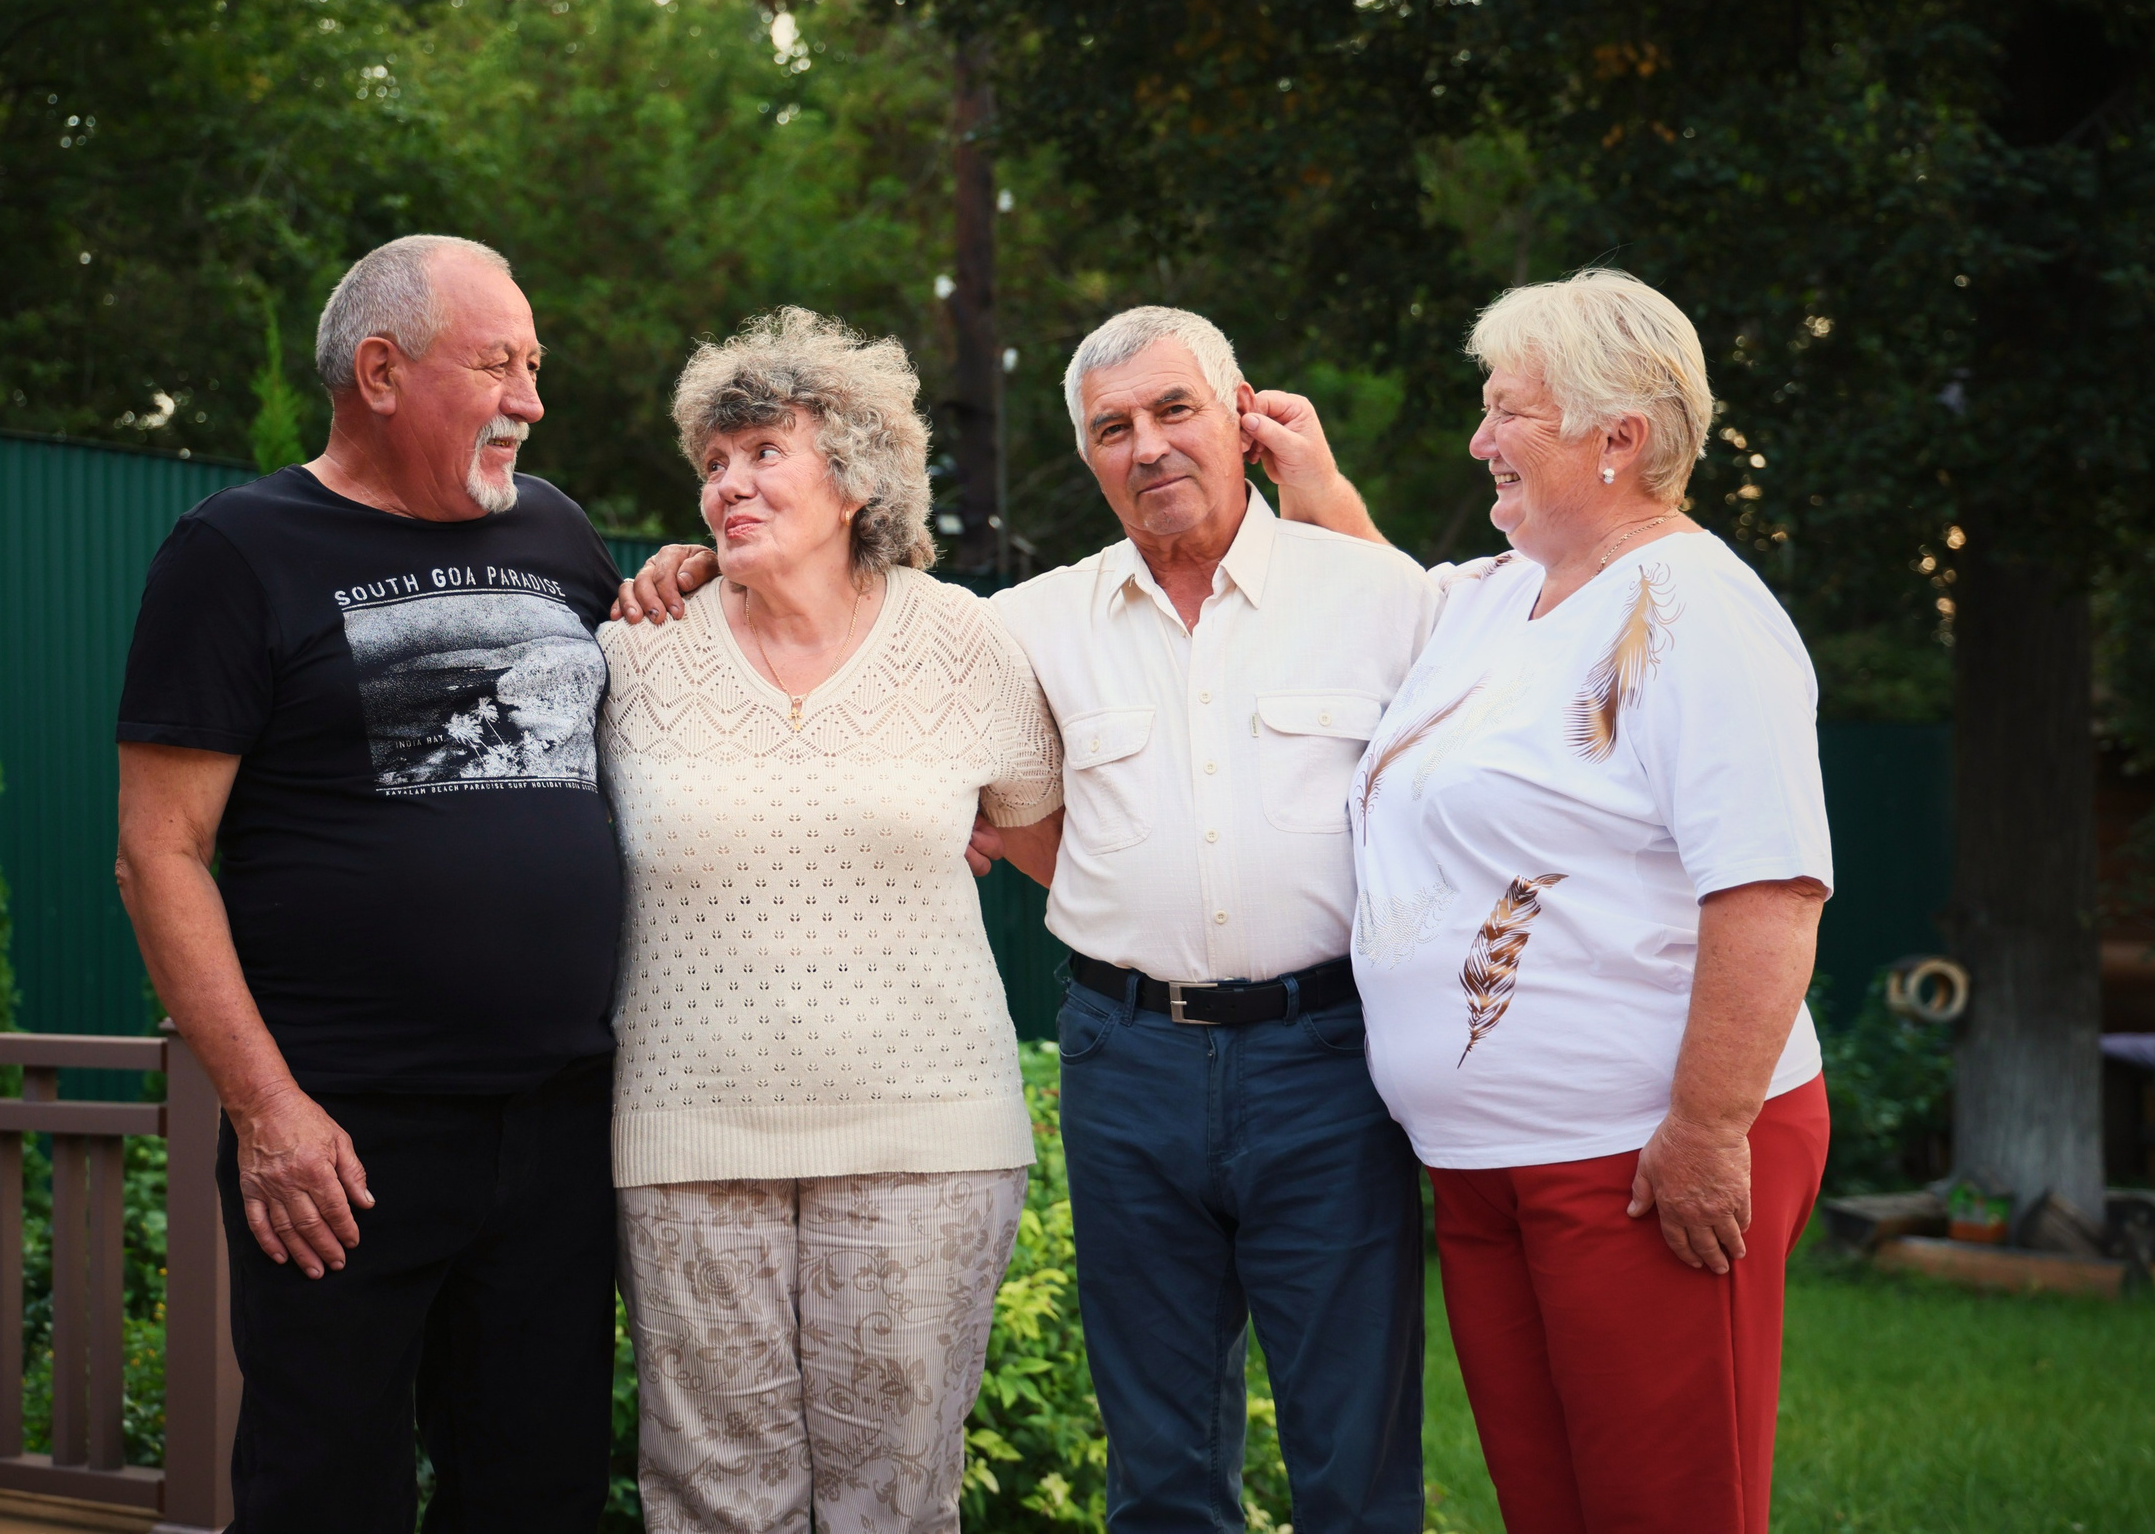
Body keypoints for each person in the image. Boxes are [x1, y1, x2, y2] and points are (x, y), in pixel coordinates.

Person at [621, 305, 1439, 1532]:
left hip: (1327, 1059)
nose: (1148, 446)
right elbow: (1015, 816)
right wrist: (697, 563)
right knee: (1157, 1454)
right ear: (1087, 454)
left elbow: (1456, 737)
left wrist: (1327, 494)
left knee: (1353, 1444)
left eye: (1175, 411)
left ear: (1244, 419)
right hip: (1133, 1059)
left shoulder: (1373, 592)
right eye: (1112, 427)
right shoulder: (1028, 623)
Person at [113, 235, 622, 1533]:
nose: (531, 399)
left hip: (563, 1121)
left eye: (536, 365)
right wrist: (268, 1109)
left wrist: (671, 576)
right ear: (382, 371)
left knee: (539, 1491)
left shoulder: (562, 534)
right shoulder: (235, 551)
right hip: (346, 1137)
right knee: (327, 1490)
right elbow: (158, 849)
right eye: (499, 363)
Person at [1350, 269, 1830, 1533]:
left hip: (1637, 1154)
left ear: (1617, 439)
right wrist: (1300, 478)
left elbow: (1771, 889)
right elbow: (1371, 586)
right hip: (1487, 1167)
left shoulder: (1699, 611)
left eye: (1508, 412)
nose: (1478, 439)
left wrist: (1707, 1127)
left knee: (1668, 1508)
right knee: (1552, 1507)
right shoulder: (1505, 594)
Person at [597, 308, 1064, 1534]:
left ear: (854, 477)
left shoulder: (965, 639)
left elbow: (1044, 841)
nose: (729, 484)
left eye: (762, 453)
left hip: (928, 1138)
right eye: (712, 463)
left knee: (895, 1497)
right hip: (689, 1137)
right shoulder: (636, 653)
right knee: (710, 1500)